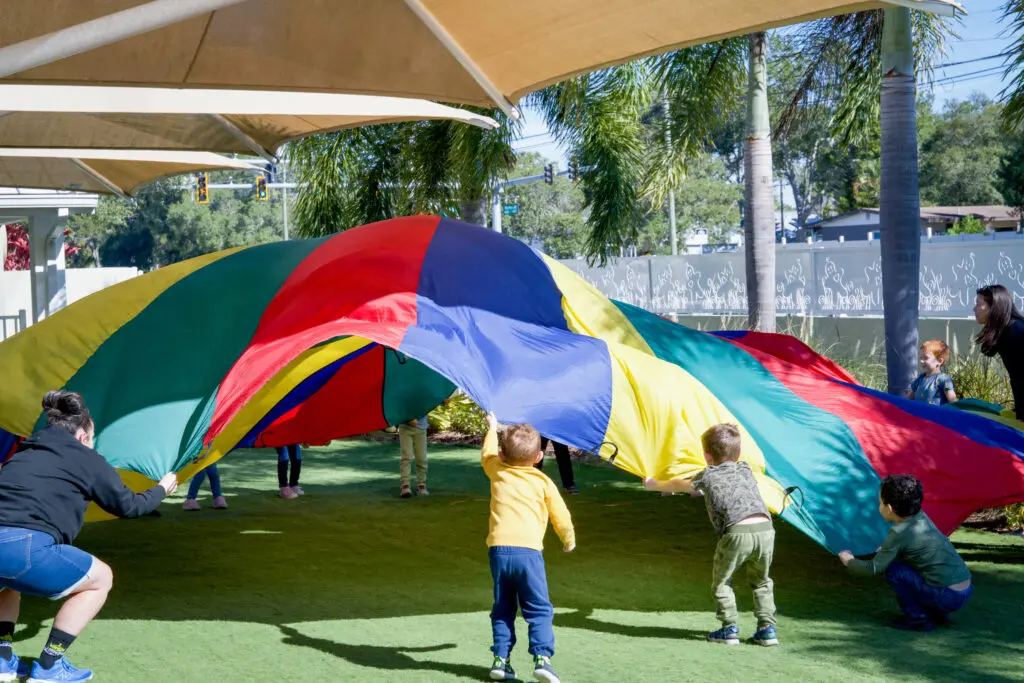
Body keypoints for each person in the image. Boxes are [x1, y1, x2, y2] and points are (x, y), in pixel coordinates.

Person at [0, 391, 177, 682]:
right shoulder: (87, 459)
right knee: (101, 579)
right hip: (28, 548)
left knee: (10, 582)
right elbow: (129, 506)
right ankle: (49, 666)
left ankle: (3, 659)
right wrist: (161, 490)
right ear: (83, 435)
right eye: (93, 438)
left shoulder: (22, 454)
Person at [644, 424, 778, 647]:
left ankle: (729, 628)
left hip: (736, 532)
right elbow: (700, 491)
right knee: (761, 580)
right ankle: (767, 629)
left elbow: (684, 485)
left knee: (722, 581)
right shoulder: (745, 469)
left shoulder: (707, 474)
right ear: (738, 453)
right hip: (765, 528)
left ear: (706, 456)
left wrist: (656, 484)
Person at [482, 413, 574, 683]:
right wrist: (568, 539)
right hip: (529, 553)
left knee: (503, 608)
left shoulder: (496, 470)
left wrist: (491, 428)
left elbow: (487, 453)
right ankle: (542, 659)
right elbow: (561, 516)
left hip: (498, 552)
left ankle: (501, 660)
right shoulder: (543, 482)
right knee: (539, 608)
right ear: (538, 458)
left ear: (502, 454)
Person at [838, 474, 972, 632]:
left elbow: (874, 568)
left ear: (889, 508)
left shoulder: (899, 532)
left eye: (880, 502)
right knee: (911, 566)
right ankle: (936, 614)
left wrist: (848, 560)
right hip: (965, 590)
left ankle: (919, 619)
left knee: (894, 570)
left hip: (948, 596)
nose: (878, 506)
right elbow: (917, 549)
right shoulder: (922, 517)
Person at [974, 284, 1024, 418]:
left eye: (978, 304)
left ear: (994, 307)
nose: (974, 309)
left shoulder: (1016, 331)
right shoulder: (1005, 331)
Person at [905, 340, 957, 406]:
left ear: (939, 361)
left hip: (936, 416)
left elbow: (953, 400)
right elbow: (907, 400)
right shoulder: (920, 379)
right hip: (920, 415)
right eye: (921, 358)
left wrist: (959, 413)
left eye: (926, 358)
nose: (921, 361)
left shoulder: (943, 379)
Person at [398, 417, 429, 498]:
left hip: (421, 427)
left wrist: (443, 403)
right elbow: (400, 406)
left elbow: (429, 404)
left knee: (422, 458)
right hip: (405, 427)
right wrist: (409, 418)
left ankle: (421, 485)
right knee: (406, 457)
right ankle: (405, 485)